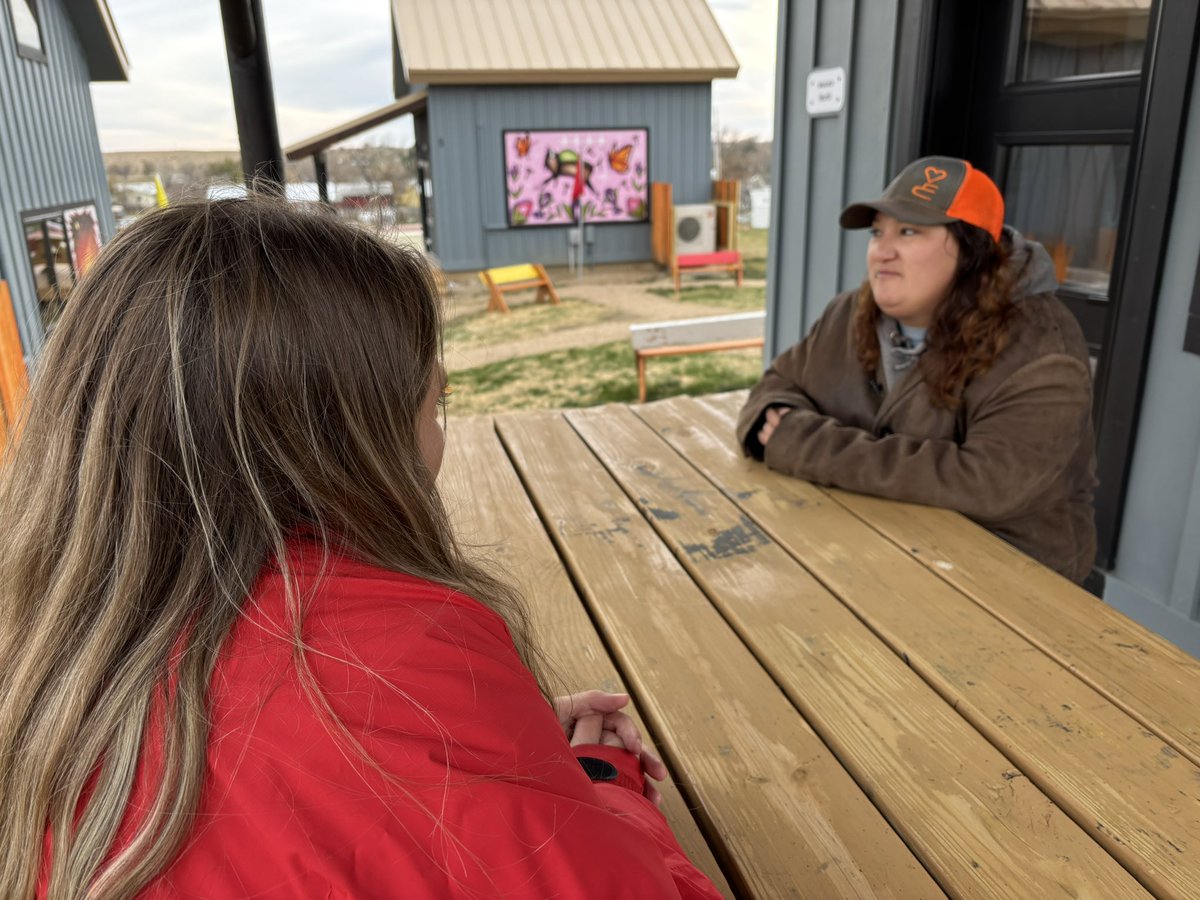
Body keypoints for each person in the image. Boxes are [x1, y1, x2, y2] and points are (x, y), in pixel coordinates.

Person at [0, 198, 721, 899]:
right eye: (432, 405)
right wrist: (601, 784)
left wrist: (490, 752)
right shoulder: (392, 650)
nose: (438, 438)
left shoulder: (47, 658)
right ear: (351, 443)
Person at [737, 156, 1097, 583]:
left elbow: (987, 483)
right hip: (870, 549)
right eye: (877, 232)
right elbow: (778, 385)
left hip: (1010, 581)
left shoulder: (1040, 345)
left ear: (973, 251)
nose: (882, 251)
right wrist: (774, 414)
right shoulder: (850, 312)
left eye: (909, 232)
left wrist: (805, 443)